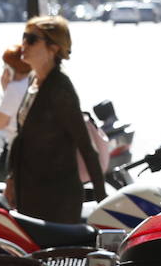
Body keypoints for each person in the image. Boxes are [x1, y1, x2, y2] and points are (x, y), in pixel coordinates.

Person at [7, 16, 105, 223]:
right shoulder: (34, 82)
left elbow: (86, 147)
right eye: (24, 37)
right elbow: (22, 139)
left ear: (53, 48)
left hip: (56, 200)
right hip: (30, 193)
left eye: (32, 39)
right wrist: (11, 178)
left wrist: (102, 200)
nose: (23, 44)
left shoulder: (60, 88)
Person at [0, 43, 32, 139]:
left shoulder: (15, 88)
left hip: (18, 146)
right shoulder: (34, 82)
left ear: (9, 70)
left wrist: (5, 90)